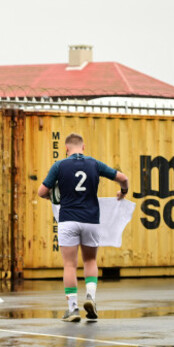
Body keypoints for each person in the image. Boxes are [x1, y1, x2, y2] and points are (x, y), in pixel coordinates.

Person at [38, 133, 128, 322]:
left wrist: (52, 196)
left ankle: (73, 309)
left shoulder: (59, 165)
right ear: (83, 147)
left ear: (66, 149)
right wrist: (123, 191)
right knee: (90, 261)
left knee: (70, 265)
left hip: (68, 220)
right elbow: (123, 178)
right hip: (91, 220)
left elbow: (42, 192)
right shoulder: (94, 164)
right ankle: (91, 298)